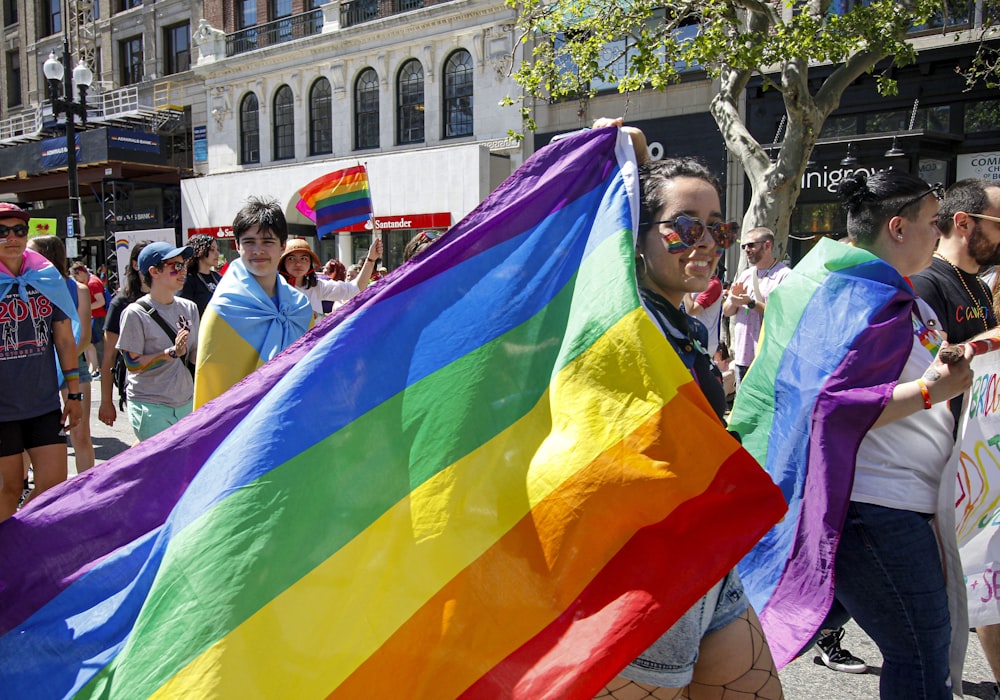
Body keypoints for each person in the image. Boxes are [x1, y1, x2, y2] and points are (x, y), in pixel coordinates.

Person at [731, 171, 973, 699]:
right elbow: (826, 407)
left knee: (788, 624)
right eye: (933, 223)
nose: (940, 235)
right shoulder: (849, 294)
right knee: (921, 651)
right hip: (870, 506)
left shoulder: (891, 293)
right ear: (898, 227)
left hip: (896, 502)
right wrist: (932, 390)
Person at [598, 158, 782, 700]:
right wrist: (620, 149)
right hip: (645, 572)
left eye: (718, 227)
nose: (706, 242)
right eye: (685, 226)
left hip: (705, 560)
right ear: (637, 236)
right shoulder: (623, 317)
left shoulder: (682, 323)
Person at [912, 178, 1000, 696]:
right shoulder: (928, 284)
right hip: (941, 466)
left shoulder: (977, 285)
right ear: (965, 223)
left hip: (976, 460)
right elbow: (923, 369)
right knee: (946, 602)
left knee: (981, 581)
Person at [0, 203, 82, 519]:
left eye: (19, 230)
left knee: (53, 483)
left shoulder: (45, 278)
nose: (12, 238)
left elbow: (64, 338)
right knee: (9, 488)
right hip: (3, 408)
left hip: (43, 403)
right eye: (2, 231)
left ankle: (20, 542)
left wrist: (74, 394)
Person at [193, 197, 312, 409]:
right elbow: (210, 390)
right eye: (249, 242)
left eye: (268, 241)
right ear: (237, 245)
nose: (258, 250)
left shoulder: (299, 307)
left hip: (295, 418)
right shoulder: (223, 310)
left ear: (283, 245)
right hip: (240, 428)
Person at [116, 242, 200, 441]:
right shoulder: (135, 313)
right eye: (175, 266)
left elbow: (195, 355)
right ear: (154, 271)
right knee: (163, 467)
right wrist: (170, 352)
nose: (183, 271)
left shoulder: (189, 308)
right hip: (150, 405)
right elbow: (132, 363)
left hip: (186, 402)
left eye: (184, 264)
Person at [27, 236, 95, 472]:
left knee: (81, 435)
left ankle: (86, 492)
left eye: (32, 252)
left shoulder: (79, 289)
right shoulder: (27, 285)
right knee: (31, 437)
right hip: (37, 367)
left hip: (73, 365)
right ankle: (26, 487)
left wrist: (61, 362)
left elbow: (85, 336)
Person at [722, 227, 790, 381]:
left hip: (767, 358)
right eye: (744, 246)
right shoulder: (745, 275)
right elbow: (727, 311)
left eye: (751, 245)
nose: (746, 250)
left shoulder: (784, 276)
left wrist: (750, 303)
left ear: (767, 245)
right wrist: (733, 299)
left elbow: (782, 315)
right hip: (742, 357)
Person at [98, 242, 151, 428]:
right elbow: (109, 357)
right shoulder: (120, 303)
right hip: (138, 388)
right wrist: (106, 401)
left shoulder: (172, 300)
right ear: (136, 265)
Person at [277, 237, 380, 316]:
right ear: (283, 263)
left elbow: (354, 289)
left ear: (310, 264)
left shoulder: (317, 286)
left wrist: (371, 259)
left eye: (304, 259)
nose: (298, 264)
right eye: (291, 258)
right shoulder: (273, 289)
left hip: (313, 344)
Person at [70, 261, 107, 378]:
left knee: (98, 345)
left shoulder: (92, 283)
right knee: (92, 345)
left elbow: (101, 302)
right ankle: (96, 368)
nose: (78, 280)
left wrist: (85, 307)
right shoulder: (92, 280)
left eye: (76, 277)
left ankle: (100, 369)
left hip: (98, 317)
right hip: (95, 317)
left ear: (80, 272)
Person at [179, 233, 222, 315]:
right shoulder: (188, 280)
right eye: (212, 250)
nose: (217, 254)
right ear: (200, 251)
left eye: (217, 249)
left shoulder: (218, 277)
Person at [684, 274, 724, 357]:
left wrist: (685, 287)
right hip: (693, 338)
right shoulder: (697, 281)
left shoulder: (713, 284)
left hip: (705, 342)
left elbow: (691, 310)